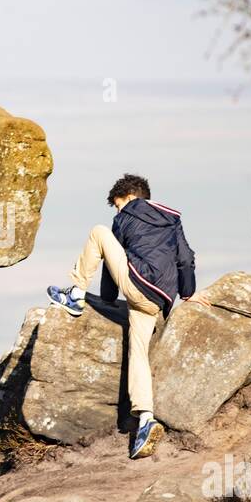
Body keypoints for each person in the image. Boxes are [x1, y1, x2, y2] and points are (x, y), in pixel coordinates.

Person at [46, 174, 204, 460]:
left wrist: (104, 298)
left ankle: (75, 294)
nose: (117, 212)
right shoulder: (172, 219)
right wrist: (188, 292)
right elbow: (185, 258)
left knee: (98, 232)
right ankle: (145, 419)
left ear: (129, 197)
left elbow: (109, 265)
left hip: (137, 283)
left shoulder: (127, 214)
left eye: (117, 206)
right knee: (139, 354)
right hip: (159, 300)